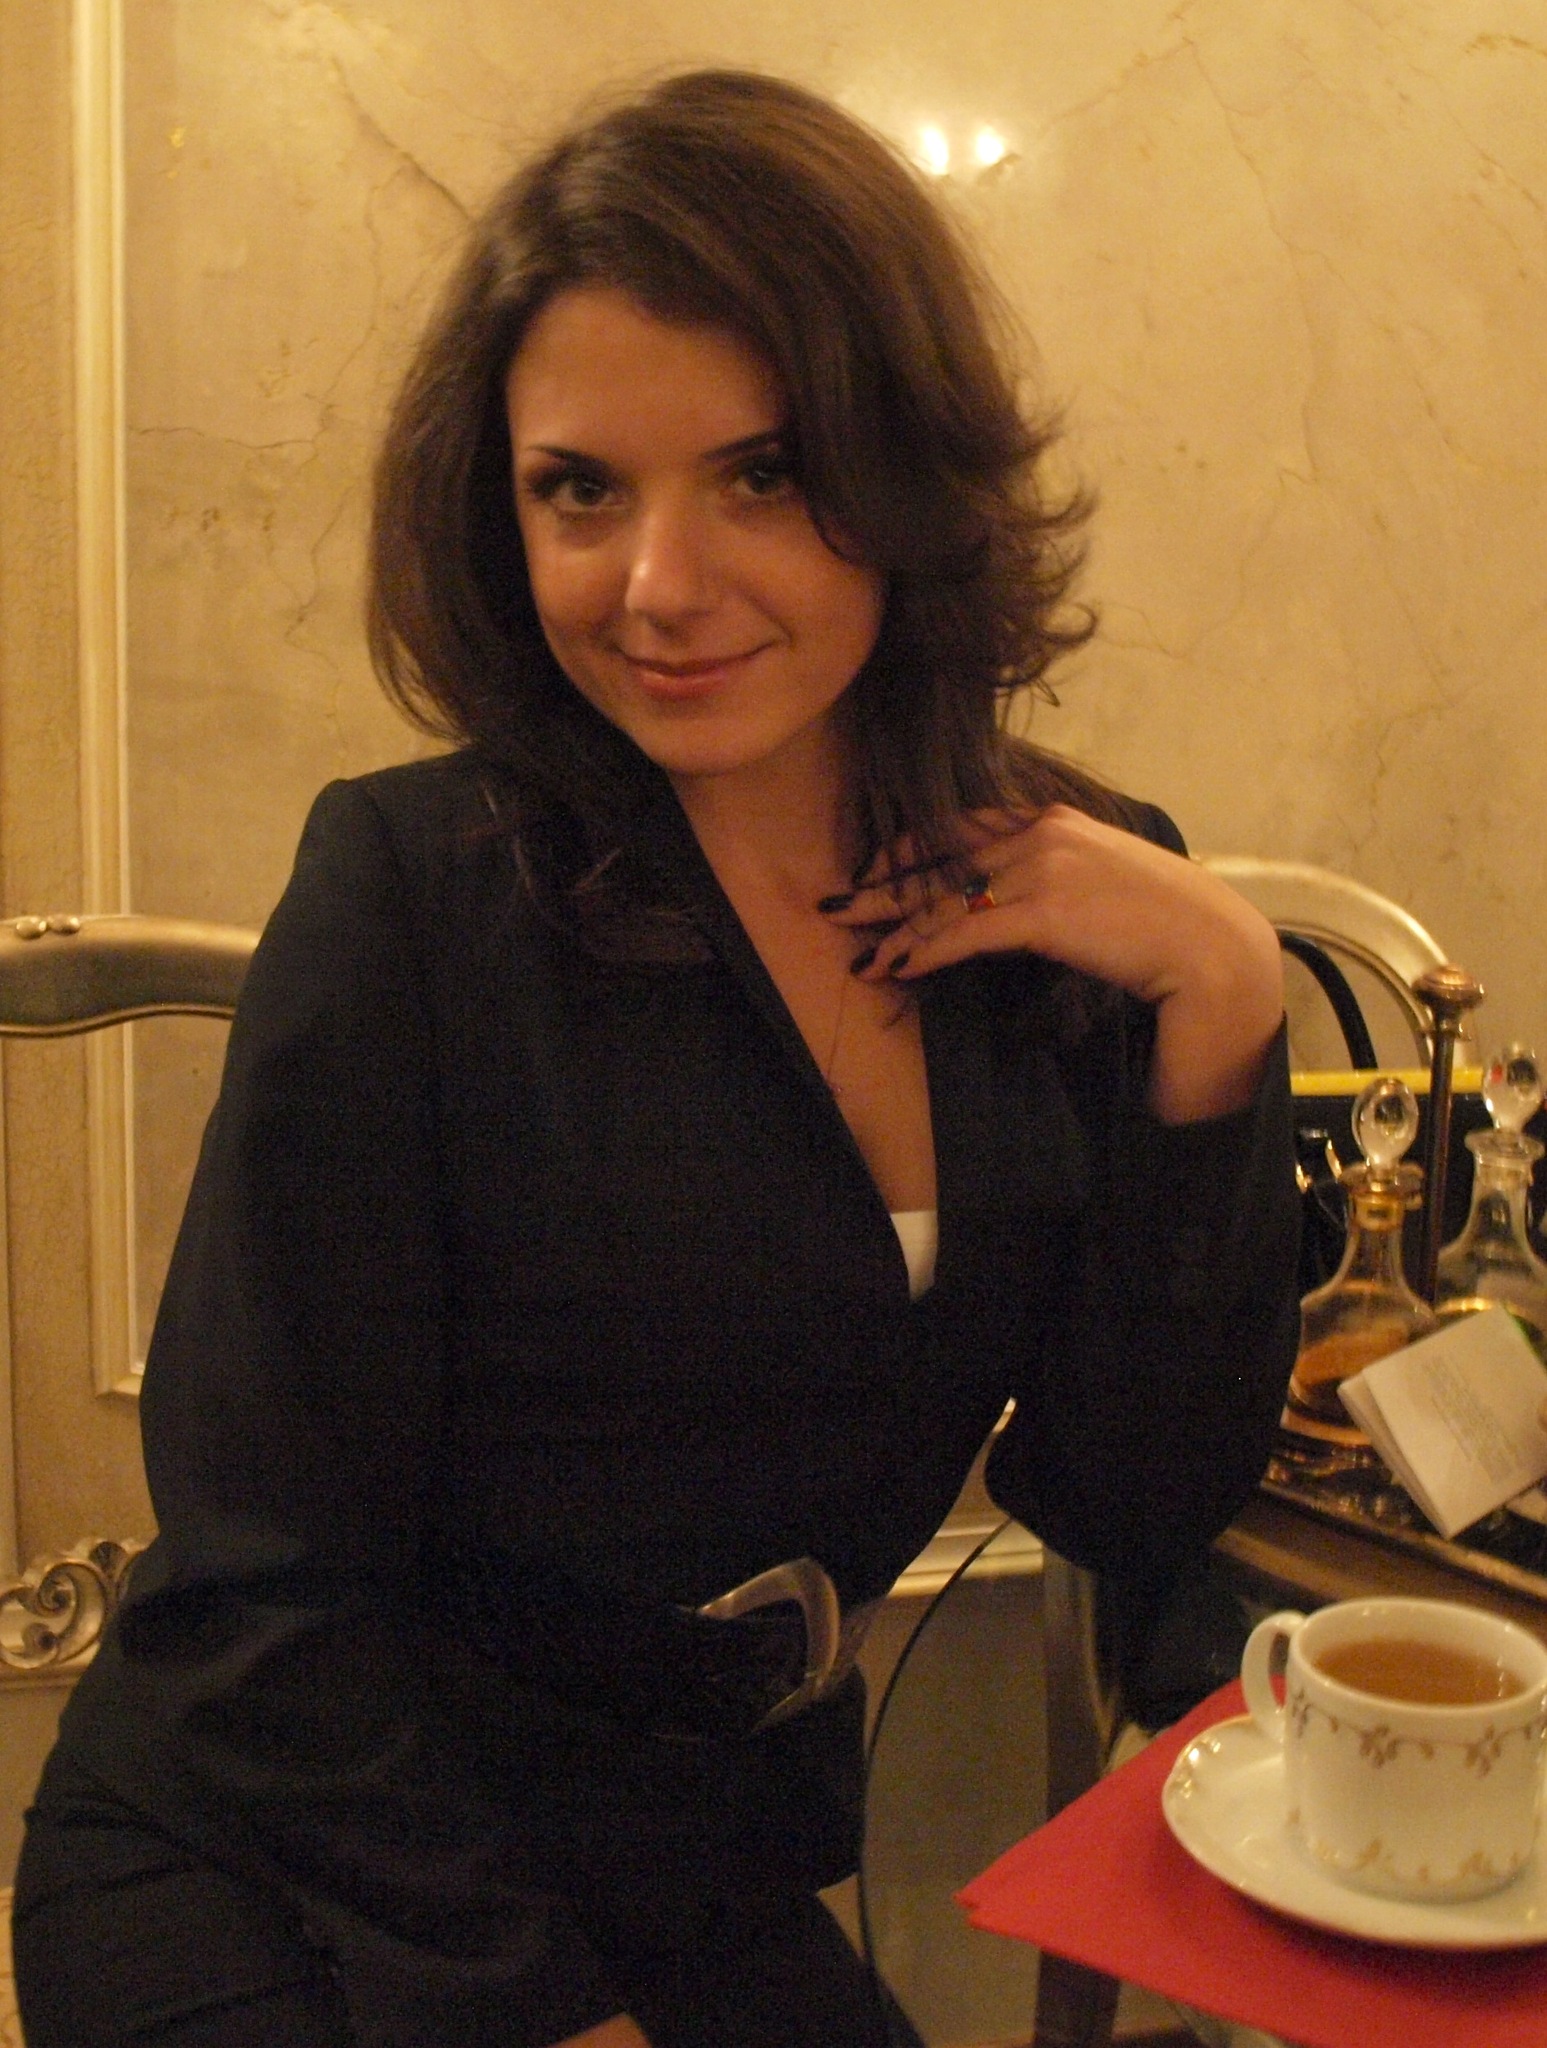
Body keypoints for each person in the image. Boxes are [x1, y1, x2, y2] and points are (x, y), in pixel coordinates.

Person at [13, 68, 1300, 2048]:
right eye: (581, 490)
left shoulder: (1068, 896)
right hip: (294, 1849)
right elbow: (263, 1585)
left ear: (904, 471)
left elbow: (1126, 1496)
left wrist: (1225, 992)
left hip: (682, 1857)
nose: (660, 588)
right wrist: (539, 2011)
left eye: (761, 474)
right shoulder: (412, 890)